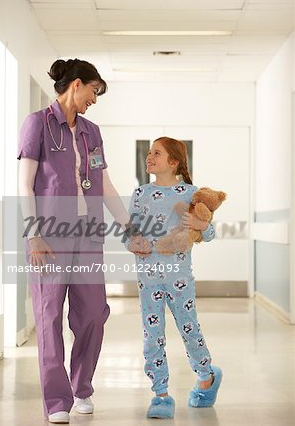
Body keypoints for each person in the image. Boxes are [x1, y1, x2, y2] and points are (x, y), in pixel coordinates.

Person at [17, 58, 140, 424]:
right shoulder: (36, 124)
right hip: (48, 236)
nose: (95, 99)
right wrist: (33, 233)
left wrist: (128, 226)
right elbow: (25, 183)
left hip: (87, 234)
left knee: (93, 314)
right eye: (94, 90)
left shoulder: (91, 131)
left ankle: (81, 387)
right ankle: (57, 401)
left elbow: (102, 183)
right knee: (49, 315)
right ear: (77, 85)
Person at [127, 137, 222, 419]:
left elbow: (209, 234)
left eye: (157, 153)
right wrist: (134, 242)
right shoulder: (140, 193)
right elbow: (130, 232)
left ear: (174, 162)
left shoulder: (191, 193)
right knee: (152, 336)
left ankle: (206, 375)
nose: (149, 157)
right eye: (149, 153)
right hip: (148, 278)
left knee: (189, 328)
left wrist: (200, 224)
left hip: (179, 277)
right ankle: (160, 394)